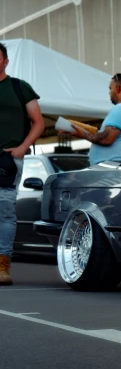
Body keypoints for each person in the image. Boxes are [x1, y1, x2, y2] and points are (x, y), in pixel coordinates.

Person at [0, 41, 45, 285]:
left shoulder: (19, 87)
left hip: (7, 160)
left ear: (5, 61)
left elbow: (38, 122)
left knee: (5, 211)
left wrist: (22, 148)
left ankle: (2, 265)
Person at [72, 73, 121, 166]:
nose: (109, 93)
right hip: (120, 167)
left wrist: (82, 134)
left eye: (110, 89)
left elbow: (106, 138)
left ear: (118, 89)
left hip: (110, 170)